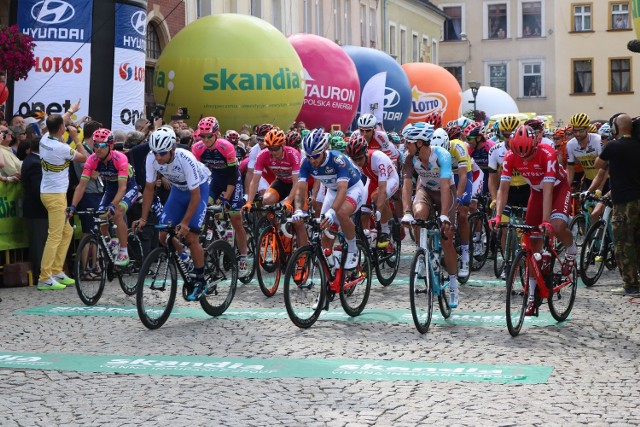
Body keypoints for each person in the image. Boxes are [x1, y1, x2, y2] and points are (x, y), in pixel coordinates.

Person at [490, 125, 576, 315]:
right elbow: (503, 189)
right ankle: (531, 296)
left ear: (535, 144)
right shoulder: (510, 156)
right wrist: (497, 215)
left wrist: (545, 221)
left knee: (556, 225)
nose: (525, 159)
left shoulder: (548, 153)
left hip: (557, 189)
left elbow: (548, 189)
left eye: (528, 155)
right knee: (531, 244)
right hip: (536, 193)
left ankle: (571, 250)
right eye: (521, 156)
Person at [133, 126, 211, 301]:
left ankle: (200, 279)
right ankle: (185, 259)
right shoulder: (151, 159)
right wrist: (144, 218)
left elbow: (195, 195)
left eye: (162, 153)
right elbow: (149, 189)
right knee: (163, 236)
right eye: (155, 153)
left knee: (191, 237)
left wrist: (185, 223)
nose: (158, 157)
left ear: (173, 149)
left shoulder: (186, 158)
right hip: (178, 190)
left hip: (199, 189)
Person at [400, 122, 460, 308]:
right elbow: (407, 184)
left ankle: (453, 285)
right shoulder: (409, 158)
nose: (404, 145)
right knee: (418, 216)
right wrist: (407, 212)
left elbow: (444, 185)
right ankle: (423, 255)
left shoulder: (441, 155)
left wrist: (444, 216)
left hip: (445, 192)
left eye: (408, 142)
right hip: (425, 190)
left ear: (419, 143)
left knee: (446, 238)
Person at [292, 128, 365, 270]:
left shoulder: (338, 159)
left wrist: (332, 210)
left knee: (341, 213)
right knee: (324, 230)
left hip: (353, 188)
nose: (312, 160)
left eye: (316, 156)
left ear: (324, 150)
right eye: (309, 156)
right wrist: (299, 210)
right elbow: (300, 189)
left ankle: (353, 248)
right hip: (332, 191)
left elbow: (343, 189)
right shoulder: (306, 163)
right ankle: (331, 266)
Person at [67, 128, 138, 267]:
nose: (98, 148)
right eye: (96, 144)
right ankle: (113, 242)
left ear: (110, 145)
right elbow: (81, 186)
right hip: (111, 188)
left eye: (102, 145)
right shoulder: (92, 160)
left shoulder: (120, 158)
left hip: (129, 187)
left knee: (117, 213)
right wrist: (73, 206)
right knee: (101, 219)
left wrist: (113, 204)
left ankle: (124, 251)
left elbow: (123, 188)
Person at [588, 114, 640, 295]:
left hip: (623, 202)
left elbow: (597, 164)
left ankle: (631, 285)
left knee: (624, 245)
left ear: (615, 129)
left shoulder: (613, 146)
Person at [191, 116, 250, 274]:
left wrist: (226, 197)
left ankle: (243, 256)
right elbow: (196, 174)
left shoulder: (226, 146)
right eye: (202, 136)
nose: (205, 139)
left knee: (235, 217)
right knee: (204, 208)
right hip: (215, 180)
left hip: (232, 180)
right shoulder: (197, 148)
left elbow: (232, 175)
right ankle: (218, 235)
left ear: (216, 134)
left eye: (209, 136)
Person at [38, 106, 88, 290]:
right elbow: (83, 158)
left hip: (49, 192)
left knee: (66, 232)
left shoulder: (45, 138)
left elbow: (60, 120)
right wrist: (76, 138)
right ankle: (44, 277)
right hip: (55, 196)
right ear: (61, 129)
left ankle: (57, 270)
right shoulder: (61, 147)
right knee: (55, 235)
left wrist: (70, 110)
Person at [243, 128, 308, 247]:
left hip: (297, 185)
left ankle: (303, 257)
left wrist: (289, 201)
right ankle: (276, 226)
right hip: (281, 182)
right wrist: (249, 202)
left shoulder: (293, 154)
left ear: (283, 145)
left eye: (276, 148)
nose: (273, 152)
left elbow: (296, 182)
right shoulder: (263, 155)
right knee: (266, 200)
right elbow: (255, 180)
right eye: (270, 149)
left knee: (298, 222)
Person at [345, 135, 399, 248]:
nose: (357, 162)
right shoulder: (352, 161)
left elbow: (383, 189)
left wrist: (378, 211)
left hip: (390, 179)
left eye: (359, 158)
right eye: (354, 159)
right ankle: (368, 242)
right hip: (373, 179)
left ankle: (385, 230)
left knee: (377, 197)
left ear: (365, 153)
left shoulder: (378, 158)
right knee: (364, 210)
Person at [21, 137, 48, 279]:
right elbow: (38, 189)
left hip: (38, 209)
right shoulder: (34, 163)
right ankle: (40, 273)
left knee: (41, 241)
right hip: (38, 209)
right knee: (39, 243)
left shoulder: (33, 160)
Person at [566, 113, 602, 191]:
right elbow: (570, 170)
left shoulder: (598, 140)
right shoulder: (570, 144)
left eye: (581, 131)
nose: (578, 134)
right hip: (588, 180)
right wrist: (566, 189)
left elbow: (603, 168)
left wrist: (598, 189)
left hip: (604, 180)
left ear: (587, 129)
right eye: (575, 131)